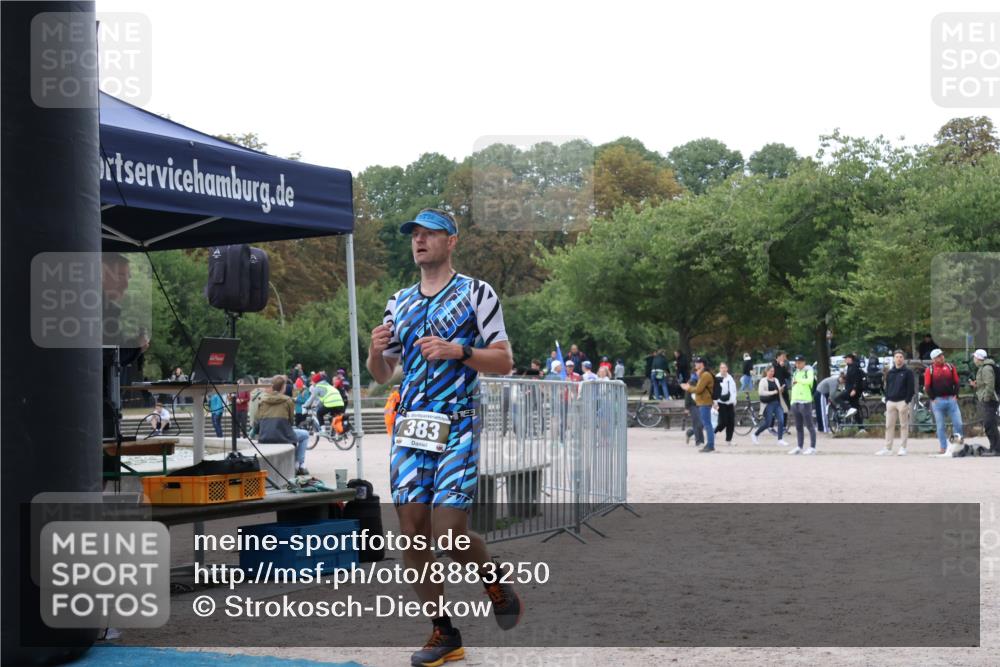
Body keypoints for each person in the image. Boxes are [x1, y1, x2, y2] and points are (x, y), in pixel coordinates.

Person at [365, 207, 521, 665]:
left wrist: (460, 350)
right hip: (410, 426)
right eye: (414, 234)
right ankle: (443, 632)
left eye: (429, 234)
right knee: (411, 534)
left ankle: (491, 576)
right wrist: (374, 351)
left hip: (456, 423)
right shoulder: (400, 301)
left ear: (451, 241)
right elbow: (382, 373)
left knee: (449, 536)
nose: (419, 240)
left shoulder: (477, 293)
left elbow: (504, 361)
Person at [257, 376, 312, 476]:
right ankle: (299, 465)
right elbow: (290, 421)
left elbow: (257, 419)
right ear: (283, 387)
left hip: (264, 435)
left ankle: (298, 464)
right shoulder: (288, 400)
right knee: (304, 434)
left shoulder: (262, 400)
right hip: (282, 435)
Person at [876, 350, 916, 456]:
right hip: (891, 402)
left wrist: (906, 401)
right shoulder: (890, 372)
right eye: (897, 357)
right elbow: (887, 386)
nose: (899, 359)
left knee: (903, 425)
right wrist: (887, 399)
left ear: (904, 359)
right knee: (889, 425)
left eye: (901, 357)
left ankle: (903, 447)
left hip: (902, 402)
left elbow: (911, 388)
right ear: (894, 359)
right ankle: (888, 448)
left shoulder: (908, 372)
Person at [923, 348, 963, 454]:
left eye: (942, 355)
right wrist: (932, 398)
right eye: (939, 356)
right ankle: (943, 447)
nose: (942, 357)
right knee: (940, 426)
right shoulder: (929, 370)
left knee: (958, 424)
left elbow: (957, 382)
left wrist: (956, 395)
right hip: (938, 401)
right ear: (934, 359)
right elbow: (927, 386)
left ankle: (956, 446)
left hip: (951, 399)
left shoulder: (950, 367)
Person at [682, 357, 716, 452]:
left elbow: (698, 389)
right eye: (695, 362)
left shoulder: (705, 375)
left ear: (702, 364)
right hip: (703, 402)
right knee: (705, 423)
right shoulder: (702, 375)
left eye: (698, 362)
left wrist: (688, 388)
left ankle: (710, 445)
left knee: (707, 424)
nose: (696, 364)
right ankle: (708, 444)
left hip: (704, 402)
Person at [969, 349, 999, 455]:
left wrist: (986, 398)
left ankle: (996, 449)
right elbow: (985, 384)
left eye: (975, 357)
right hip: (988, 400)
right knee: (990, 424)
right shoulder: (984, 368)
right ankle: (994, 448)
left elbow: (990, 385)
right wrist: (976, 384)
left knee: (989, 425)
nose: (974, 359)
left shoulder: (986, 368)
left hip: (990, 401)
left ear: (979, 358)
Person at [788, 355, 817, 455]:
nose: (797, 364)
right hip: (795, 401)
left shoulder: (808, 371)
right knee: (798, 426)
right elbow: (793, 386)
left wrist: (799, 381)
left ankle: (812, 447)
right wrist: (792, 401)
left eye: (799, 362)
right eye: (796, 363)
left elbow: (809, 381)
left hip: (805, 401)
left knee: (809, 425)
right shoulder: (796, 372)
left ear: (804, 362)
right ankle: (799, 446)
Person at [752, 365, 787, 446]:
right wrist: (774, 392)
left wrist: (780, 390)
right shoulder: (763, 381)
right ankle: (755, 434)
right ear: (766, 372)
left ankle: (780, 439)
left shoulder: (776, 380)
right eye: (770, 371)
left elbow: (778, 391)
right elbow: (761, 392)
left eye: (773, 371)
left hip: (777, 403)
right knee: (768, 423)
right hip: (768, 404)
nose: (772, 373)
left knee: (781, 420)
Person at [713, 362, 738, 445]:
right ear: (720, 369)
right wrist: (715, 402)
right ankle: (714, 432)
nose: (723, 369)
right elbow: (714, 391)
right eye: (721, 368)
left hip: (730, 402)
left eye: (724, 368)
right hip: (720, 402)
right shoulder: (717, 378)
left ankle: (729, 440)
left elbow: (734, 391)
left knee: (731, 422)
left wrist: (734, 400)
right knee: (723, 422)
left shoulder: (730, 378)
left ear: (727, 369)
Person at [837, 354, 864, 428]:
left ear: (850, 359)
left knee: (838, 398)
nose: (845, 360)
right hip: (851, 390)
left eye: (846, 358)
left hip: (852, 391)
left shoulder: (854, 368)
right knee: (855, 408)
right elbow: (850, 378)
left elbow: (857, 380)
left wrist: (854, 389)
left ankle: (849, 409)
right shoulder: (850, 367)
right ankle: (861, 428)